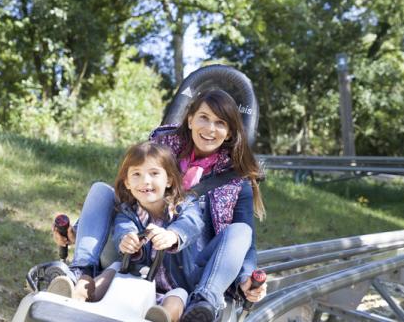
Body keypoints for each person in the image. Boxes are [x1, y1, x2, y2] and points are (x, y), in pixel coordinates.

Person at [52, 89, 267, 321]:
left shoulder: (235, 180)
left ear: (228, 133)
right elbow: (126, 199)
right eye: (204, 117)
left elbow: (243, 240)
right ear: (190, 119)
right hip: (135, 253)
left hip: (188, 265)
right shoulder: (160, 151)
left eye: (220, 123)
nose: (210, 128)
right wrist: (78, 228)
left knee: (241, 230)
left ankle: (202, 303)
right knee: (101, 190)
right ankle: (81, 275)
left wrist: (247, 277)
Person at [49, 141, 204, 322]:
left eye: (154, 174)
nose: (145, 181)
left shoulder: (185, 206)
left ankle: (162, 317)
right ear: (128, 183)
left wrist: (173, 235)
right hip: (133, 277)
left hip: (172, 284)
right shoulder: (128, 212)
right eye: (137, 175)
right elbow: (123, 229)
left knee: (178, 298)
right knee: (111, 272)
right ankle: (78, 295)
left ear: (168, 179)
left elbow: (193, 224)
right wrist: (127, 240)